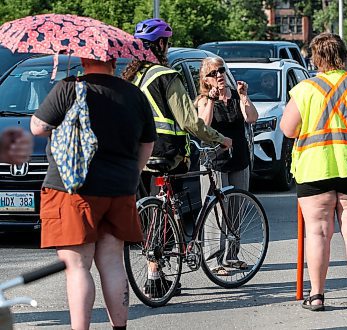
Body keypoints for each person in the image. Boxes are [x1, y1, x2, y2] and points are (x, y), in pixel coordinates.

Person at [31, 57, 157, 329]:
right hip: (120, 189)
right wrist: (132, 172)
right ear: (113, 61)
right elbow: (148, 143)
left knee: (77, 266)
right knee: (112, 262)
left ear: (85, 59)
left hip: (74, 189)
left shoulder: (69, 88)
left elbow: (38, 127)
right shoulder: (133, 94)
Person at [121, 19, 232, 297]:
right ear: (161, 45)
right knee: (170, 211)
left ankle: (154, 276)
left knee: (151, 217)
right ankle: (164, 270)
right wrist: (220, 139)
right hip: (168, 153)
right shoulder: (165, 75)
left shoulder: (131, 77)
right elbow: (189, 121)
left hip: (137, 155)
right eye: (167, 42)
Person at [280, 32, 347, 312]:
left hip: (315, 168)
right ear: (344, 55)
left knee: (317, 233)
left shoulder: (305, 89)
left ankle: (316, 296)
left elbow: (288, 129)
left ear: (316, 58)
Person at [195, 57, 258, 275]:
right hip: (216, 162)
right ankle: (213, 260)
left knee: (236, 208)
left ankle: (232, 255)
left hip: (239, 158)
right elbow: (202, 126)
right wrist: (212, 101)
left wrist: (244, 96)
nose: (219, 75)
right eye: (213, 73)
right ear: (206, 79)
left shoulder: (234, 95)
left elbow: (252, 118)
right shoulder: (203, 100)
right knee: (215, 212)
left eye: (221, 70)